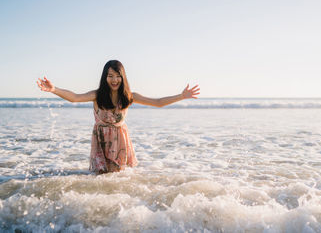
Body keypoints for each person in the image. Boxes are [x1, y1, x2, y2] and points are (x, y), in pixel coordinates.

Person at [37, 60, 200, 174]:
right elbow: (74, 97)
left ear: (123, 77)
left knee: (118, 178)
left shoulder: (129, 96)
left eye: (117, 75)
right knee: (101, 177)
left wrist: (181, 96)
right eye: (110, 76)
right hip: (101, 140)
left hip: (120, 141)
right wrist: (54, 89)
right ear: (105, 77)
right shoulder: (97, 95)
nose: (114, 80)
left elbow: (157, 102)